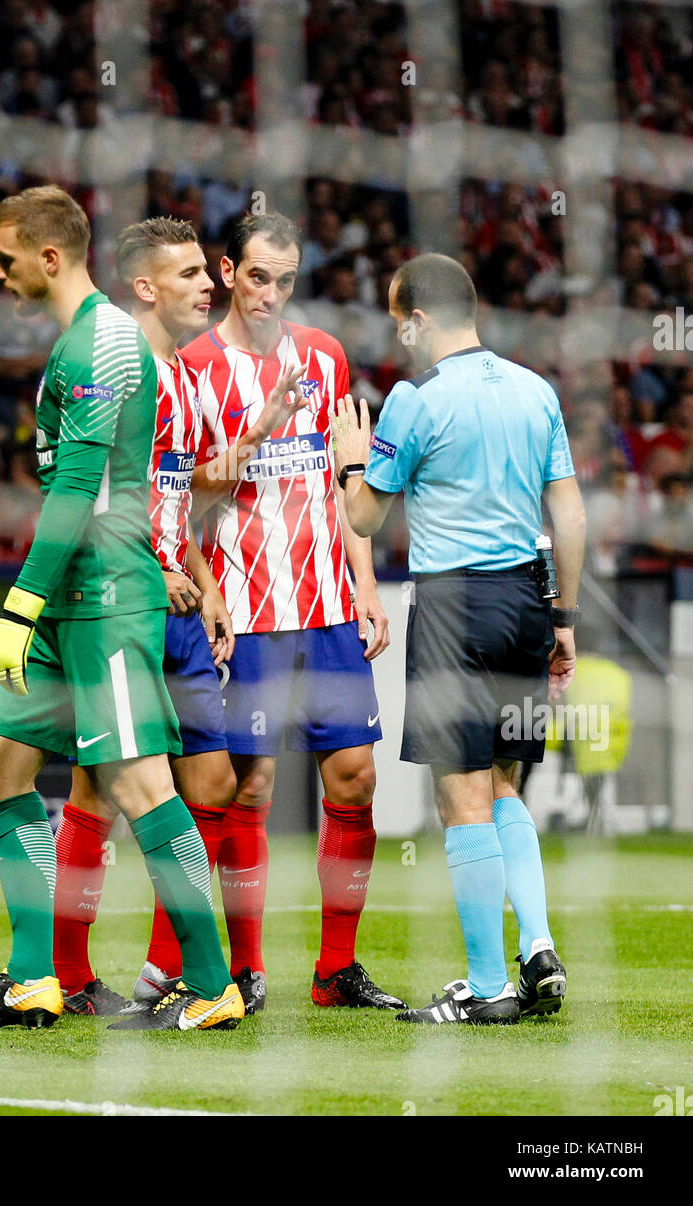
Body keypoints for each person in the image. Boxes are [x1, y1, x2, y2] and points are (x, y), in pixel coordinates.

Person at [0, 184, 244, 1033]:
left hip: (104, 595)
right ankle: (33, 977)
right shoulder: (81, 340)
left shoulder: (104, 341)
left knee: (141, 785)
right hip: (69, 598)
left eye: (2, 258)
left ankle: (212, 982)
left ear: (48, 255)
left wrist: (19, 604)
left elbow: (77, 488)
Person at [333, 252, 585, 1025]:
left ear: (417, 318)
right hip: (527, 599)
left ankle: (486, 987)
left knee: (460, 796)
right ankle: (537, 946)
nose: (395, 330)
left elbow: (365, 518)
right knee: (504, 782)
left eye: (395, 314)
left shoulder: (414, 399)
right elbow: (569, 515)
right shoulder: (534, 389)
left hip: (454, 606)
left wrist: (350, 459)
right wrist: (564, 618)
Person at [182, 210, 403, 1010]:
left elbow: (345, 480)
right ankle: (245, 968)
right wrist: (260, 425)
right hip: (247, 607)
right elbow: (191, 492)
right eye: (259, 276)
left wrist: (368, 583)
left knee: (355, 776)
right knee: (249, 788)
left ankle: (334, 971)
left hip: (330, 609)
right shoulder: (196, 366)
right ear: (228, 271)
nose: (272, 293)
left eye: (286, 278)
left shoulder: (325, 355)